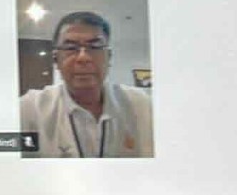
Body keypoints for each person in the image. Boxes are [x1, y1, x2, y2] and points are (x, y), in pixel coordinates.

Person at [19, 11, 153, 158]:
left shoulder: (141, 105)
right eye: (70, 48)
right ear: (56, 60)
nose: (83, 58)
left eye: (95, 47)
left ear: (108, 57)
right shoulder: (30, 109)